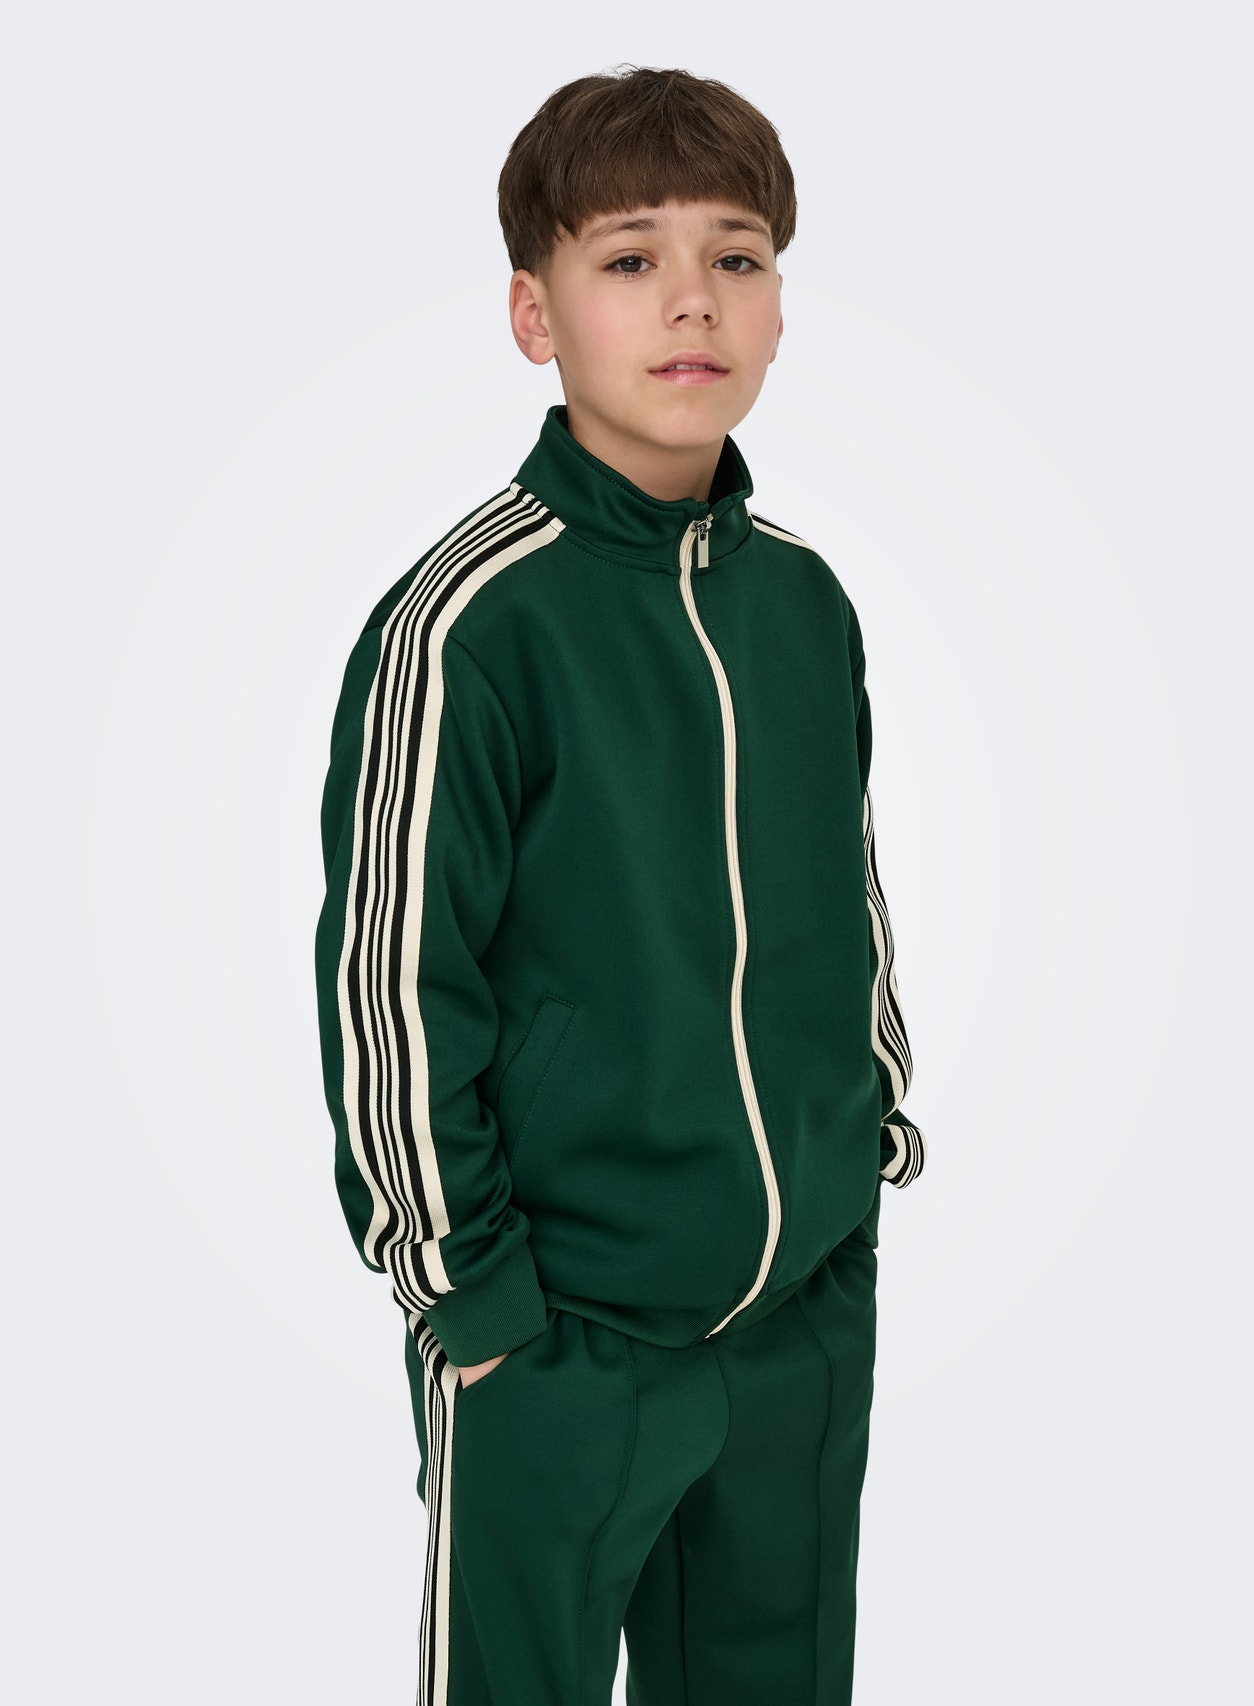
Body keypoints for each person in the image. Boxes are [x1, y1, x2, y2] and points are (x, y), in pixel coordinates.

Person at [314, 63, 928, 1706]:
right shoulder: (471, 624)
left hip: (797, 1326)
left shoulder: (804, 604)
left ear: (780, 305)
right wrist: (473, 1298)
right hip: (561, 1344)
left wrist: (864, 1137)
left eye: (737, 256)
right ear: (537, 312)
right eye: (630, 258)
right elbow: (392, 980)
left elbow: (845, 888)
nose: (691, 301)